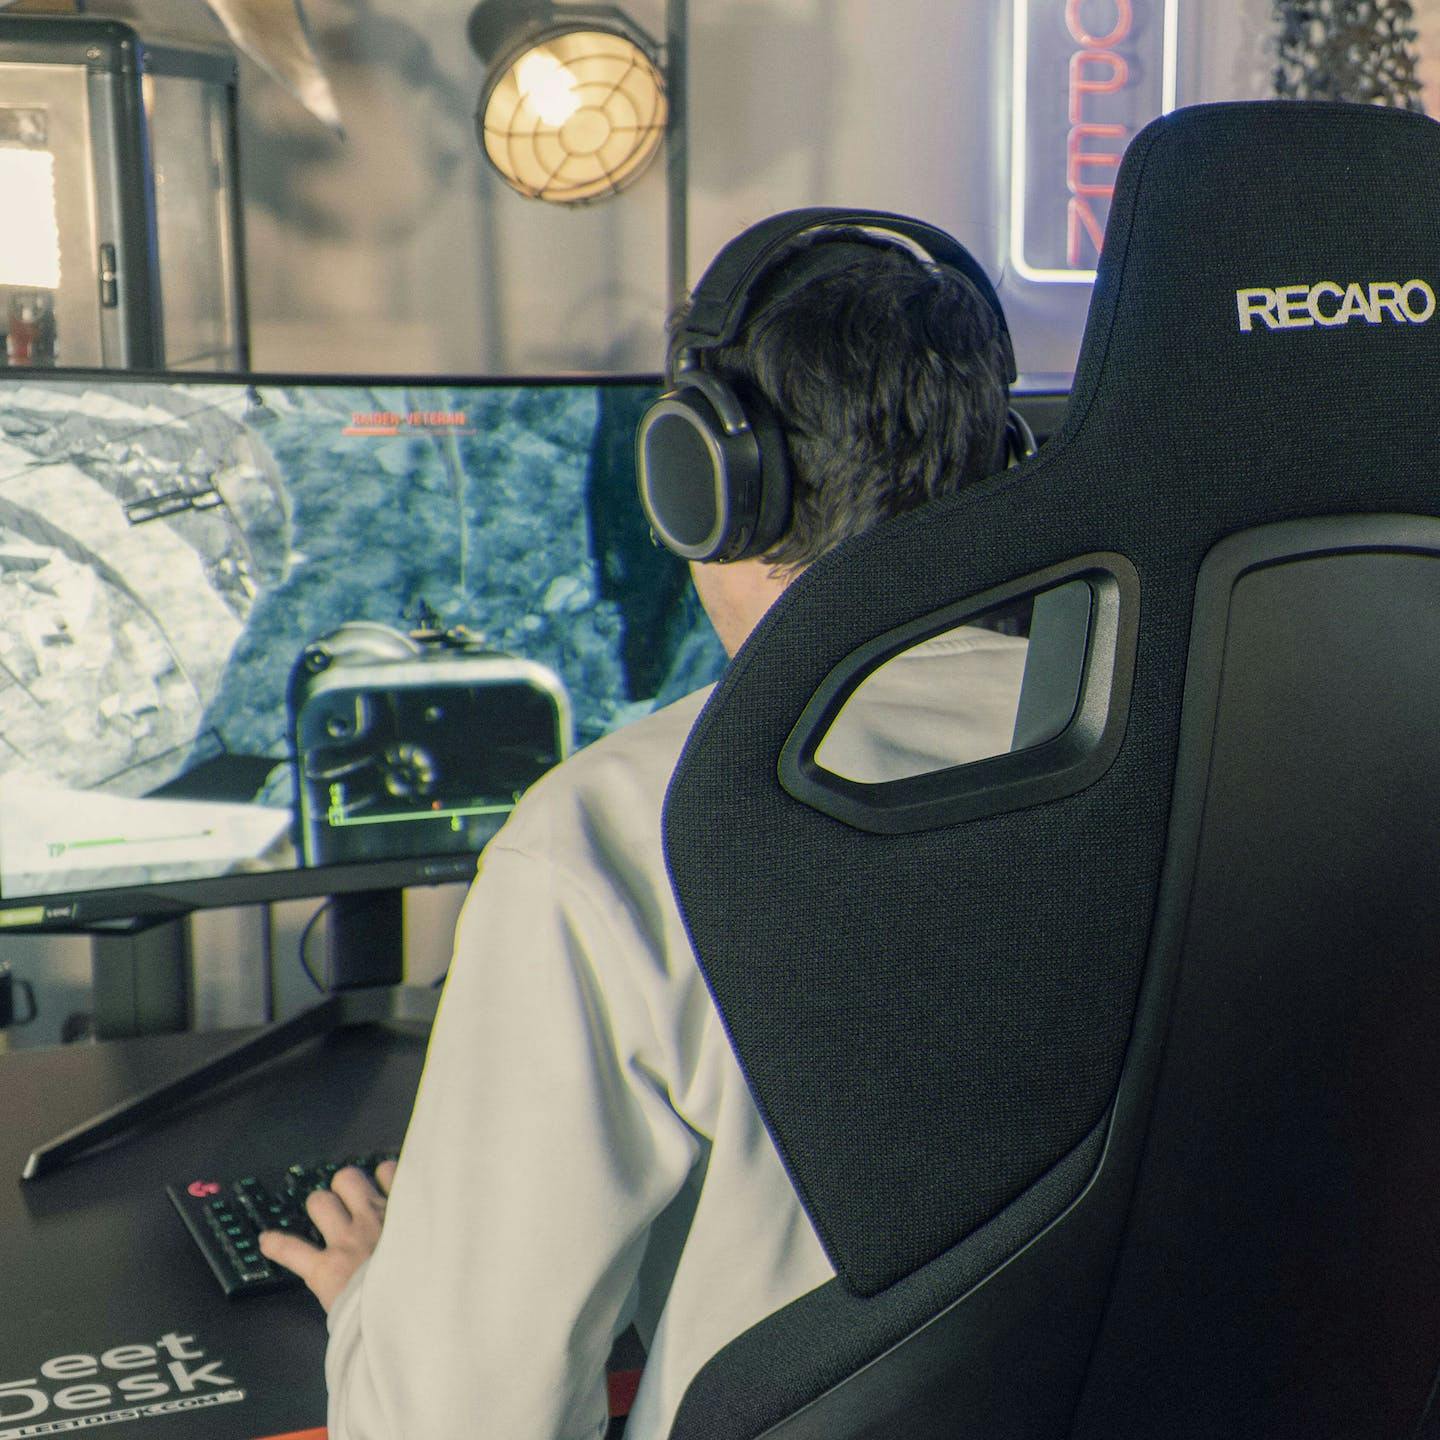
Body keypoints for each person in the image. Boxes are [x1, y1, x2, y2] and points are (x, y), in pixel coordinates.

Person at [257, 211, 1027, 1439]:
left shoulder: (619, 833)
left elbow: (462, 1420)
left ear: (705, 484)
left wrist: (380, 1304)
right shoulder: (1173, 745)